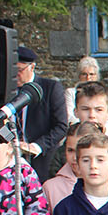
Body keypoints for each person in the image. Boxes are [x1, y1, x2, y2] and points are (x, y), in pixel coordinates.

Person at [46, 82, 108, 175]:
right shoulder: (64, 151)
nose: (92, 115)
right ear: (76, 112)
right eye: (85, 109)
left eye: (98, 110)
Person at [12, 45, 68, 181]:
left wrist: (37, 146)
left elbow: (61, 127)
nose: (15, 75)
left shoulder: (50, 88)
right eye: (12, 70)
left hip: (40, 159)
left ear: (32, 67)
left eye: (19, 70)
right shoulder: (7, 90)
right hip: (10, 158)